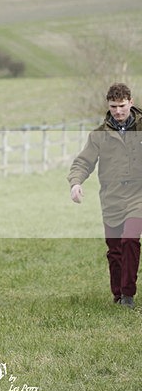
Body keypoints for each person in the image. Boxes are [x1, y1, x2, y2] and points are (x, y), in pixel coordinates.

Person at [69, 82, 142, 309]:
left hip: (138, 196)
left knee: (130, 239)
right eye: (113, 106)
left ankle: (128, 296)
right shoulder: (98, 136)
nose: (118, 111)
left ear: (131, 102)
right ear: (108, 106)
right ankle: (118, 294)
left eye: (122, 105)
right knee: (115, 250)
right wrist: (76, 183)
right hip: (111, 199)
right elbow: (83, 162)